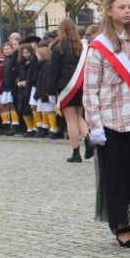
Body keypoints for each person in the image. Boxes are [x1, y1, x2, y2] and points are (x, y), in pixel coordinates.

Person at [85, 0, 130, 248]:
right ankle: (121, 226)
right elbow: (90, 89)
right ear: (108, 11)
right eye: (121, 7)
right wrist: (95, 125)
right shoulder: (99, 47)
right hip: (111, 123)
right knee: (116, 179)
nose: (127, 11)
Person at [52, 18, 91, 163]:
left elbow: (54, 71)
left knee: (71, 120)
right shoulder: (82, 47)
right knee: (79, 116)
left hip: (65, 86)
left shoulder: (59, 48)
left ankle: (76, 152)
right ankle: (88, 138)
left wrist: (50, 88)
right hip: (80, 85)